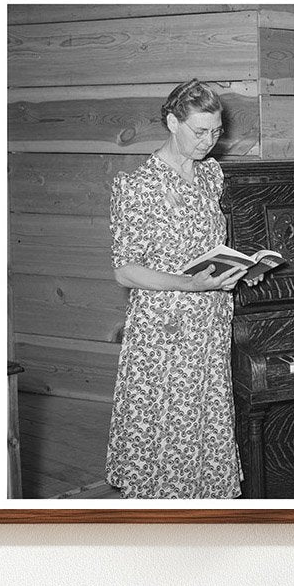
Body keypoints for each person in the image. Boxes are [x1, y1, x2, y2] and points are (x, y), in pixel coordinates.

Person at [106, 79, 255, 499]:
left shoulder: (211, 174)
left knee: (202, 426)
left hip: (209, 326)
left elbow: (207, 249)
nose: (209, 141)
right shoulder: (138, 185)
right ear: (173, 123)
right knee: (166, 431)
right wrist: (190, 284)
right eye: (199, 131)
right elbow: (126, 271)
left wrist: (240, 271)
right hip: (165, 332)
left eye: (216, 131)